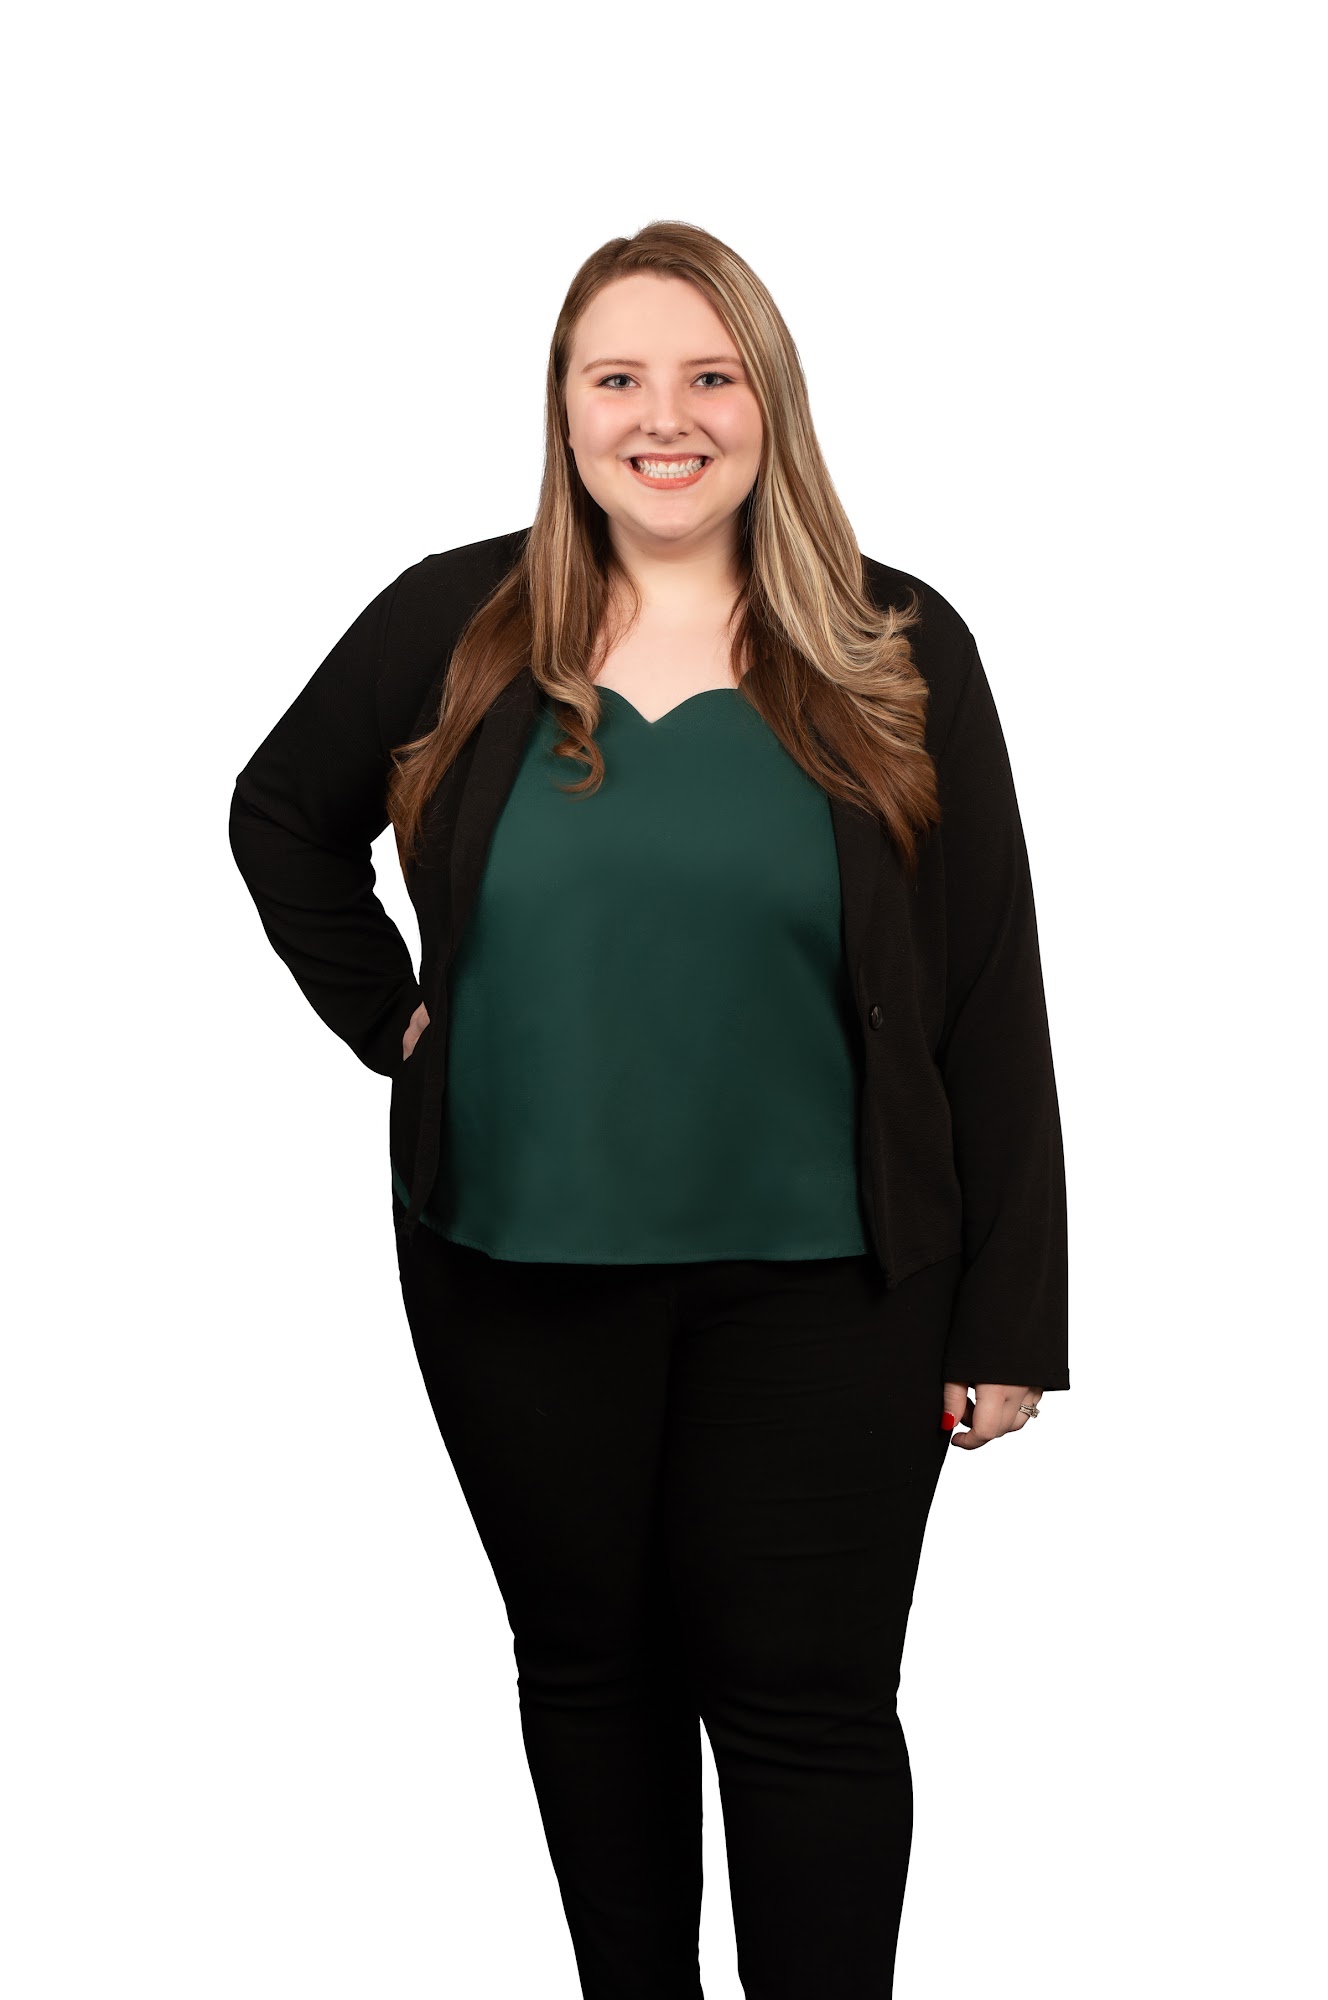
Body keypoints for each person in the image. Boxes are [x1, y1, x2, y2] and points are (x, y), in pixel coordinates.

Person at [229, 219, 1069, 1999]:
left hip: (837, 1287)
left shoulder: (899, 641)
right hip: (515, 1270)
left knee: (809, 1709)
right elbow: (280, 814)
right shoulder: (456, 625)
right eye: (618, 377)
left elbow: (988, 986)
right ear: (565, 406)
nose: (663, 417)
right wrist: (393, 1019)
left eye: (710, 376)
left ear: (772, 401)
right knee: (593, 1679)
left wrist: (1013, 1315)